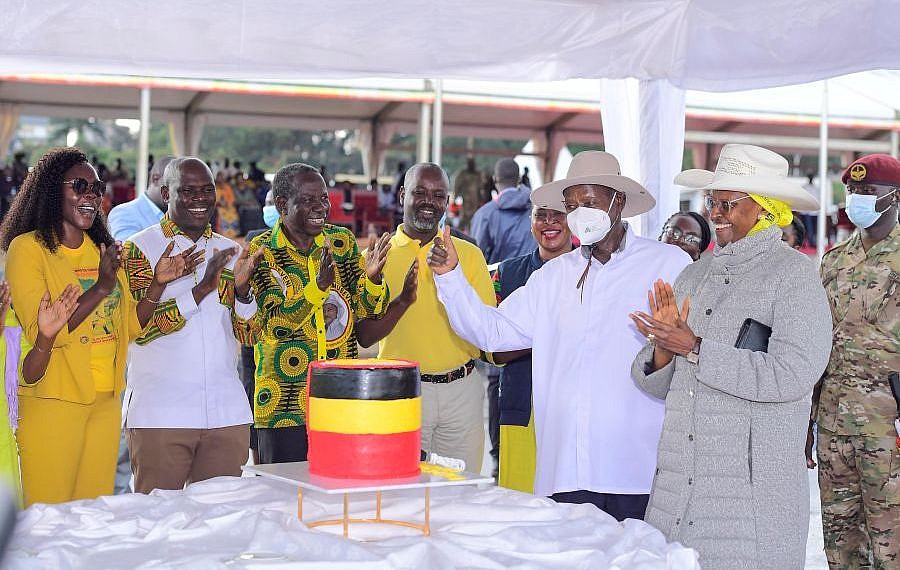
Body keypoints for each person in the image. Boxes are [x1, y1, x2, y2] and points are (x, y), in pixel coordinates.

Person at [427, 151, 690, 519]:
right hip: (567, 467)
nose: (579, 213)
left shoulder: (667, 264)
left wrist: (672, 339)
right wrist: (451, 278)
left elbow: (691, 352)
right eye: (571, 206)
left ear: (618, 202)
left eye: (589, 202)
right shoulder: (552, 277)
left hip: (637, 468)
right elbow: (493, 332)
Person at [629, 144, 832, 569]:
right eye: (711, 202)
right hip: (678, 489)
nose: (715, 214)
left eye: (728, 204)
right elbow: (659, 381)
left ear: (764, 209)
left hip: (749, 496)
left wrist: (695, 347)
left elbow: (794, 373)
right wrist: (663, 347)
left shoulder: (794, 275)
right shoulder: (693, 274)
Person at [1, 147, 141, 506]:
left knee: (90, 517)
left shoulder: (103, 250)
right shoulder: (27, 249)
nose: (90, 195)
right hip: (54, 399)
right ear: (52, 189)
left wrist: (156, 288)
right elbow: (44, 332)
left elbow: (130, 326)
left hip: (106, 400)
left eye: (97, 188)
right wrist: (101, 288)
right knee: (48, 516)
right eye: (79, 186)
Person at [121, 157, 263, 494]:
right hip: (161, 413)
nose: (200, 198)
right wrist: (198, 292)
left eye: (207, 190)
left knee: (218, 519)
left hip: (226, 413)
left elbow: (249, 335)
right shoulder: (138, 249)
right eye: (188, 191)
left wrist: (244, 292)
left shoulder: (231, 251)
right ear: (166, 193)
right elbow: (139, 330)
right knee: (158, 519)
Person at [247, 163, 390, 464]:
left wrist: (373, 280)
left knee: (338, 487)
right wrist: (318, 288)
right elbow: (274, 325)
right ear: (282, 204)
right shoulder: (262, 251)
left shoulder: (341, 242)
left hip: (341, 396)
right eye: (308, 199)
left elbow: (366, 310)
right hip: (284, 405)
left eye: (324, 198)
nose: (321, 207)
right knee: (285, 490)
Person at [358, 163, 496, 473]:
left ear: (447, 201)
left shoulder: (468, 255)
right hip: (400, 392)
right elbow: (364, 337)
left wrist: (453, 277)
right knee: (399, 489)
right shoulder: (377, 256)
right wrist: (401, 301)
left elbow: (487, 330)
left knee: (460, 488)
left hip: (461, 392)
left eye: (437, 195)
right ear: (402, 195)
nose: (428, 202)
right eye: (419, 192)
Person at [812, 153, 899, 569]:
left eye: (868, 191)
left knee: (891, 540)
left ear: (894, 196)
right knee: (840, 541)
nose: (857, 198)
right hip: (834, 425)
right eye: (852, 190)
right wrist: (807, 420)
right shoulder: (833, 261)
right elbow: (815, 344)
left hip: (888, 427)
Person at [492, 204, 573, 492]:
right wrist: (547, 336)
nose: (549, 222)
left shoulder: (594, 269)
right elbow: (492, 348)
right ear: (530, 222)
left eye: (558, 214)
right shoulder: (507, 273)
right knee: (520, 502)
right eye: (541, 215)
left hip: (573, 411)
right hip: (521, 407)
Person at [470, 158, 537, 265]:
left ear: (494, 179)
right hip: (533, 274)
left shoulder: (484, 214)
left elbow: (475, 257)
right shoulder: (537, 212)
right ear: (519, 179)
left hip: (497, 275)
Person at [107, 157, 176, 242]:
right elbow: (128, 249)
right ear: (155, 179)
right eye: (175, 182)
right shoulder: (125, 213)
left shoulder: (181, 215)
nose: (181, 190)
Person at [451, 157, 485, 231]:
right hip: (466, 199)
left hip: (475, 200)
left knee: (473, 219)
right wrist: (455, 197)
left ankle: (470, 232)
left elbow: (482, 187)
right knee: (464, 217)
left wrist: (481, 198)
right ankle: (459, 233)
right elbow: (457, 185)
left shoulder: (478, 174)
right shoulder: (463, 174)